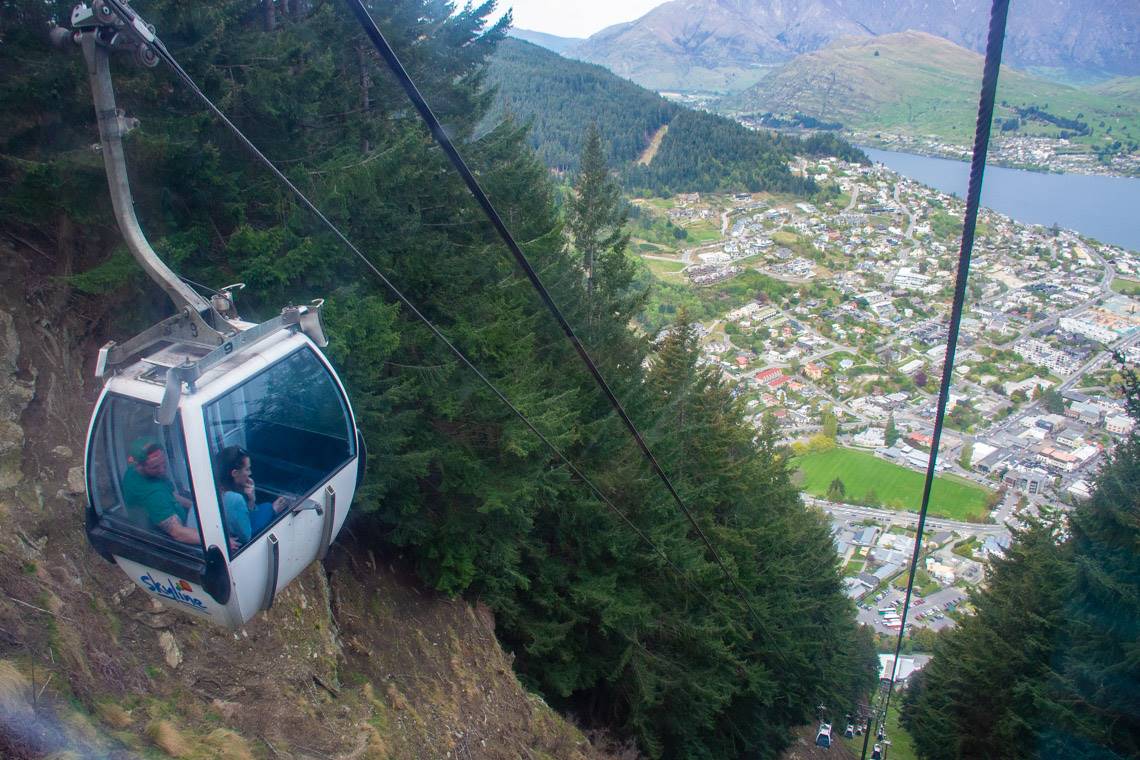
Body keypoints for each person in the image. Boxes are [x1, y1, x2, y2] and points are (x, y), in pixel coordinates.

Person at [122, 438, 200, 544]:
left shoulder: (134, 471)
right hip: (172, 540)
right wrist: (220, 541)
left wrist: (195, 506)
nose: (162, 470)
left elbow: (171, 495)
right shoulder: (153, 496)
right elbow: (179, 533)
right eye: (155, 467)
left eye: (164, 464)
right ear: (139, 466)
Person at [216, 446, 291, 548]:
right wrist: (272, 510)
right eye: (247, 469)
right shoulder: (234, 499)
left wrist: (251, 499)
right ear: (234, 473)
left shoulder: (215, 489)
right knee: (267, 507)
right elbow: (246, 536)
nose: (250, 473)